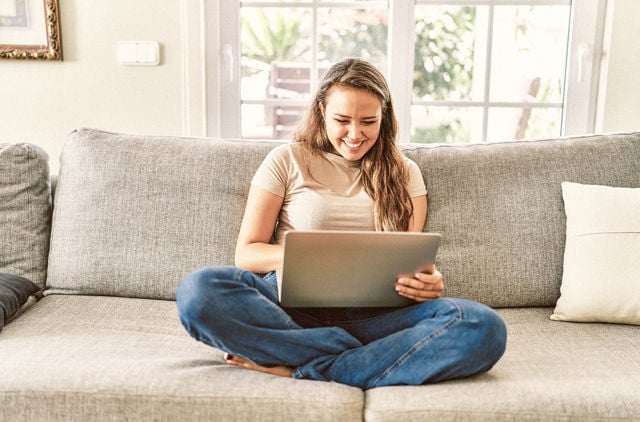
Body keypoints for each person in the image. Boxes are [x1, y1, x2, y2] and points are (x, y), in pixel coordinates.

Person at [176, 58, 506, 389]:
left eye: (368, 121)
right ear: (321, 111)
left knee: (482, 325)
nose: (354, 134)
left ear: (384, 117)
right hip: (287, 308)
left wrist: (427, 283)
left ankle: (302, 367)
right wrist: (311, 256)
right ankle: (369, 358)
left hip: (377, 316)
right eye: (342, 120)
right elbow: (247, 253)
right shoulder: (287, 159)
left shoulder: (406, 173)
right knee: (199, 291)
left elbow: (409, 258)